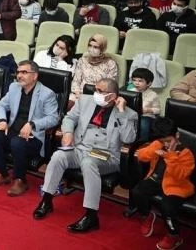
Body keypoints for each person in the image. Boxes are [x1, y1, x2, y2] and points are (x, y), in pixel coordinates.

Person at [33, 78, 137, 231]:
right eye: (95, 89)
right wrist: (68, 133)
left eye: (100, 91)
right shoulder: (84, 101)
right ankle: (46, 201)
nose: (96, 93)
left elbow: (128, 139)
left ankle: (91, 215)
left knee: (89, 162)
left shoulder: (129, 113)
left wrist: (121, 112)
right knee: (58, 156)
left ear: (113, 96)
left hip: (106, 155)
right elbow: (69, 118)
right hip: (80, 148)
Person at [0, 61, 59, 197]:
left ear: (35, 76)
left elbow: (54, 118)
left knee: (17, 142)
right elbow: (0, 105)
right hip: (14, 131)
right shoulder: (14, 87)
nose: (19, 75)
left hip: (34, 137)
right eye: (18, 72)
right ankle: (2, 173)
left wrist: (32, 124)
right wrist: (2, 120)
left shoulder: (47, 94)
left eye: (24, 72)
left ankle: (20, 180)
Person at [128, 117, 195, 250]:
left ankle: (173, 235)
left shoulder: (186, 153)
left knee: (166, 207)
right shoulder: (158, 144)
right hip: (156, 180)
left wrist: (171, 156)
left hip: (177, 186)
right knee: (137, 192)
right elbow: (141, 156)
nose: (166, 144)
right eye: (163, 141)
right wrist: (155, 147)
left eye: (169, 141)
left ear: (177, 135)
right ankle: (146, 216)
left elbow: (180, 175)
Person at [70, 34, 118, 102]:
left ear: (102, 48)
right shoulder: (82, 60)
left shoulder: (110, 64)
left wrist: (97, 96)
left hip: (99, 96)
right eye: (90, 46)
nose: (91, 49)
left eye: (95, 47)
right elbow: (76, 81)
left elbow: (109, 86)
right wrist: (78, 93)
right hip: (80, 95)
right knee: (69, 102)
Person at [128, 68, 161, 140]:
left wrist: (148, 110)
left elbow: (158, 110)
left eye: (140, 81)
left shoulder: (153, 95)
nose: (136, 83)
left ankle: (143, 142)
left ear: (149, 83)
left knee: (143, 125)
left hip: (145, 116)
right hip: (132, 114)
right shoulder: (131, 91)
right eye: (134, 80)